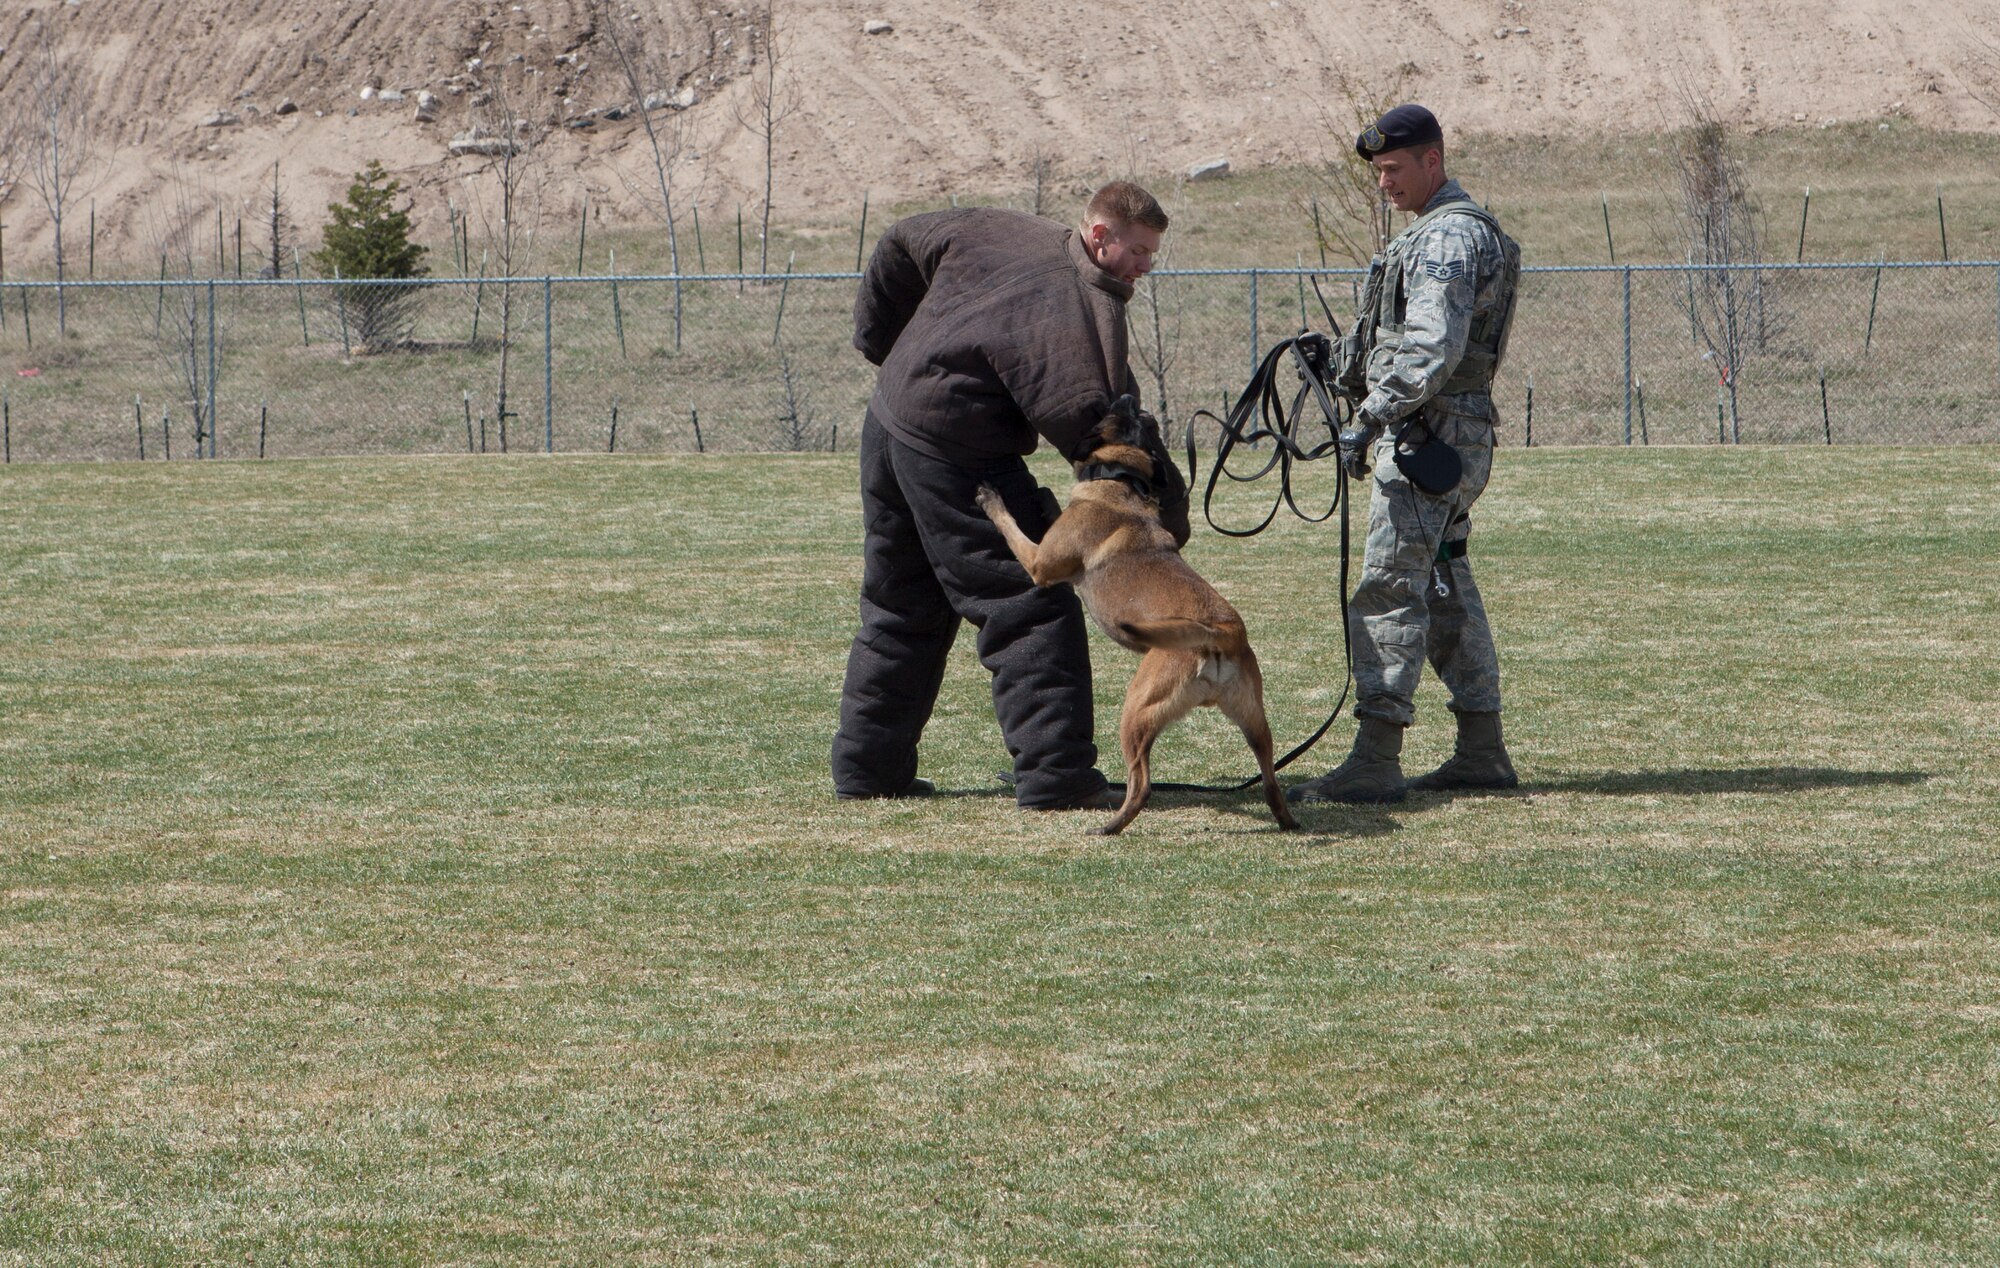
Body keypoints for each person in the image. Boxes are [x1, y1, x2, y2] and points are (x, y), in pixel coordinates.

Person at [832, 182, 1189, 809]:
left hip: (889, 423)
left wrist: (883, 345)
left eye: (1153, 254)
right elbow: (1101, 432)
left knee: (901, 604)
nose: (1146, 266)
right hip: (957, 453)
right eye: (1137, 250)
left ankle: (869, 770)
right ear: (1099, 236)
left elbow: (899, 241)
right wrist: (1170, 514)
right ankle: (1058, 778)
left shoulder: (1001, 228)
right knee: (1031, 601)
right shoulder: (1075, 313)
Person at [1289, 104, 1523, 805]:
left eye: (1395, 168)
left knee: (1391, 588)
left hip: (1428, 435)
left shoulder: (1447, 236)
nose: (1386, 183)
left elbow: (1432, 347)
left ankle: (1376, 756)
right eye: (1379, 172)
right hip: (1449, 433)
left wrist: (1370, 415)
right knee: (1446, 586)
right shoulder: (1442, 231)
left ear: (1433, 161)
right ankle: (1481, 749)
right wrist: (1343, 361)